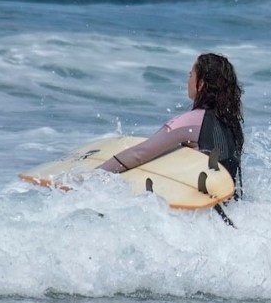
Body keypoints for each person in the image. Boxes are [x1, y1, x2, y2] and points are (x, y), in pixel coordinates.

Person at [98, 52, 245, 199]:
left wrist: (92, 175)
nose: (188, 81)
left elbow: (139, 154)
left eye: (190, 75)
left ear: (200, 84)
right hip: (232, 205)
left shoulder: (191, 121)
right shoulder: (233, 125)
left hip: (200, 208)